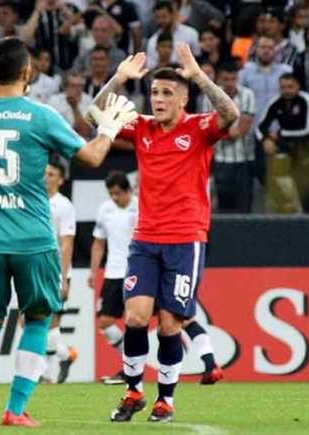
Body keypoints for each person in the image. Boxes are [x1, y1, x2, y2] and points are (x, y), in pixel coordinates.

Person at [0, 36, 138, 427]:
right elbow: (92, 157)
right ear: (27, 71)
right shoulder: (41, 116)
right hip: (32, 237)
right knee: (37, 319)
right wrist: (111, 127)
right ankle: (15, 410)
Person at [90, 42, 239, 423]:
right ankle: (134, 391)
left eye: (167, 93)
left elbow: (230, 113)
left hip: (185, 240)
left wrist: (198, 75)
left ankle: (166, 398)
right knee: (136, 318)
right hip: (146, 238)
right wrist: (119, 79)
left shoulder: (199, 128)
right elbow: (96, 115)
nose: (157, 98)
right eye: (154, 92)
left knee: (170, 324)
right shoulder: (142, 128)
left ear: (183, 99)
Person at [89, 170, 139, 384]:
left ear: (128, 190)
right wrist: (93, 272)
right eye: (112, 194)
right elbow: (99, 243)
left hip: (136, 272)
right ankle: (130, 367)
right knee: (105, 322)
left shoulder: (140, 207)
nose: (115, 198)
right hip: (113, 273)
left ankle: (130, 370)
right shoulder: (105, 209)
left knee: (135, 321)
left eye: (118, 193)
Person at [257, 73, 309, 214]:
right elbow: (260, 127)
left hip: (305, 151)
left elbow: (308, 130)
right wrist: (266, 140)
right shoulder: (276, 102)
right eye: (283, 87)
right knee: (286, 197)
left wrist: (280, 135)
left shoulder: (305, 100)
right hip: (285, 154)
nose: (287, 91)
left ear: (298, 86)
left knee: (308, 197)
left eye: (290, 87)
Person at [202, 61, 256, 213]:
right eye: (226, 80)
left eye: (233, 79)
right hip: (221, 160)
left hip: (244, 160)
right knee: (224, 208)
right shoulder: (210, 97)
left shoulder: (248, 95)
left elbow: (241, 130)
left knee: (245, 207)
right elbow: (209, 129)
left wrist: (220, 130)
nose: (230, 83)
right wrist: (221, 131)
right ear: (219, 79)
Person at [42, 160, 78, 384]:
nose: (46, 178)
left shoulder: (63, 205)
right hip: (35, 269)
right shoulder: (33, 201)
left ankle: (44, 373)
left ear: (61, 180)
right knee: (28, 322)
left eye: (52, 174)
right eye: (44, 173)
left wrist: (63, 278)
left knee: (50, 321)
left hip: (55, 271)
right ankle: (65, 355)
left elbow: (67, 243)